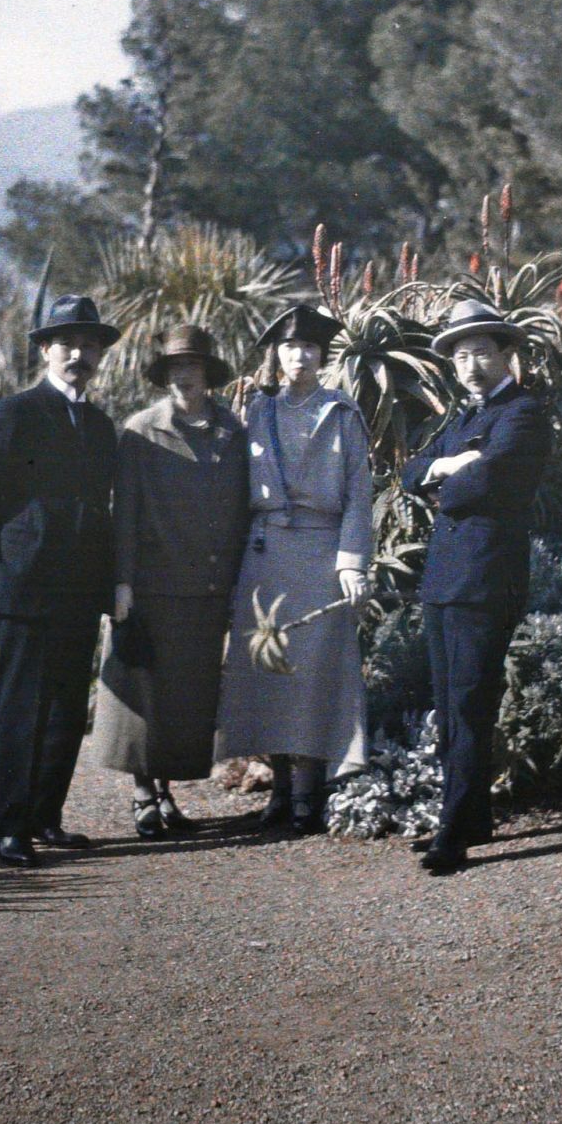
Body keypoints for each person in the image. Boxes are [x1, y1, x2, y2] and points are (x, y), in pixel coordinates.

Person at [0, 294, 121, 869]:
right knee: (23, 706)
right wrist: (3, 560)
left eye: (89, 344)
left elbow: (103, 509)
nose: (79, 353)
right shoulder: (17, 413)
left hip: (80, 587)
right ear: (47, 350)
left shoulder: (101, 426)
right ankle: (10, 831)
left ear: (100, 353)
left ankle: (46, 819)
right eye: (68, 343)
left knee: (65, 709)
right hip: (26, 584)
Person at [401, 298, 553, 875]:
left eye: (481, 352)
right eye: (460, 356)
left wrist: (453, 478)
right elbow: (414, 472)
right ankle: (472, 818)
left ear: (506, 354)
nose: (470, 365)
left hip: (486, 579)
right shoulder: (462, 421)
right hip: (444, 580)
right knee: (448, 702)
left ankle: (451, 834)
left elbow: (490, 480)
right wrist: (443, 468)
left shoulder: (522, 413)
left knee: (468, 705)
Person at [214, 303, 372, 833]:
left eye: (308, 346)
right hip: (264, 556)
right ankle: (280, 788)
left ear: (322, 354)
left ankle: (309, 793)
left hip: (320, 555)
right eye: (288, 347)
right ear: (275, 355)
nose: (298, 355)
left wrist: (352, 564)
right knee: (266, 669)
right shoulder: (257, 412)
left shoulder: (342, 414)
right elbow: (234, 490)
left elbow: (358, 495)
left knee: (310, 674)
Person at [88, 323, 250, 839]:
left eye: (193, 367)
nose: (185, 376)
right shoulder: (140, 431)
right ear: (165, 377)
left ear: (208, 375)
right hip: (153, 583)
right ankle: (143, 794)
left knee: (185, 697)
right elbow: (125, 513)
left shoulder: (232, 433)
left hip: (205, 587)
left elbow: (242, 511)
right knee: (144, 692)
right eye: (176, 368)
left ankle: (167, 795)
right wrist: (122, 583)